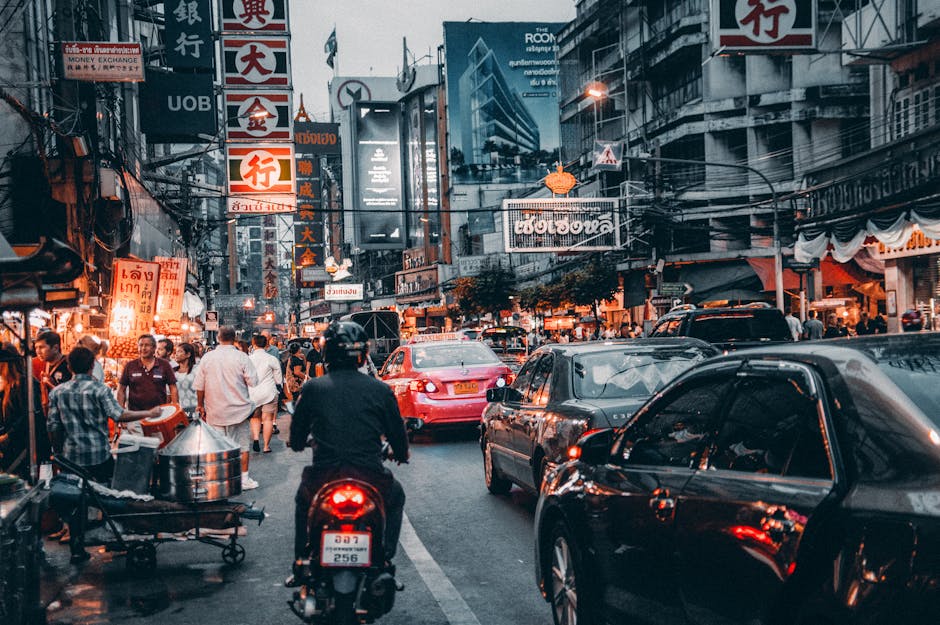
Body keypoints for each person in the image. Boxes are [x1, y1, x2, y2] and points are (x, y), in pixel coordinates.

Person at [288, 321, 409, 584]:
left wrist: (298, 443)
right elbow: (397, 432)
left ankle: (300, 562)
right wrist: (401, 453)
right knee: (396, 495)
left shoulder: (313, 389)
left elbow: (297, 435)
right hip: (370, 475)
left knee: (303, 502)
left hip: (323, 476)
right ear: (364, 354)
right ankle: (385, 556)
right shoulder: (380, 389)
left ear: (326, 353)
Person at [47, 346, 161, 563]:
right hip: (99, 455)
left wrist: (58, 451)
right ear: (92, 366)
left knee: (76, 501)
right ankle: (116, 536)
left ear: (69, 367)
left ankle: (77, 548)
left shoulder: (58, 392)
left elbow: (52, 426)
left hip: (71, 458)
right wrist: (149, 413)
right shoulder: (99, 390)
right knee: (113, 495)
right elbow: (119, 415)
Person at [194, 326, 260, 490]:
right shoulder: (242, 357)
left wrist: (200, 405)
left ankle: (219, 478)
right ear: (234, 338)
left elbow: (199, 386)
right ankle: (244, 479)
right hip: (239, 411)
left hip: (215, 411)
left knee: (217, 447)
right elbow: (253, 381)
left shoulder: (207, 358)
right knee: (242, 446)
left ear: (218, 338)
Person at [0, 342, 44, 477]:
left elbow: (27, 416)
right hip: (10, 443)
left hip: (22, 445)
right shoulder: (6, 385)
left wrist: (7, 436)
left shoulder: (26, 384)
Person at [117, 334, 178, 413]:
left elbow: (173, 388)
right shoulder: (130, 365)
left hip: (158, 414)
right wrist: (121, 412)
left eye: (147, 345)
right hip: (134, 415)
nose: (143, 348)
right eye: (140, 345)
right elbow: (121, 389)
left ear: (154, 348)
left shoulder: (164, 365)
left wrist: (175, 408)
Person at [248, 334, 283, 453]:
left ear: (253, 344)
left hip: (253, 393)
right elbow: (278, 380)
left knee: (255, 417)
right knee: (267, 419)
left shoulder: (248, 359)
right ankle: (266, 446)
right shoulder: (272, 359)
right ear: (266, 344)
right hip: (269, 392)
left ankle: (256, 439)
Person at [35, 330, 71, 414]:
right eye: (36, 347)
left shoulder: (69, 364)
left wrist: (52, 385)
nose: (38, 351)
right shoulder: (42, 364)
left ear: (55, 348)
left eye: (42, 347)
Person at [172, 343, 199, 417]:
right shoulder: (174, 372)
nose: (176, 354)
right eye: (176, 352)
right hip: (180, 411)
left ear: (188, 354)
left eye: (180, 351)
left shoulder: (197, 370)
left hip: (195, 409)